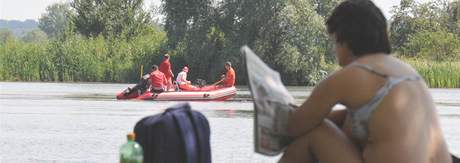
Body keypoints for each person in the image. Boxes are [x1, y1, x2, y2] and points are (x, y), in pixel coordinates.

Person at [278, 0, 452, 163]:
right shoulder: (406, 72)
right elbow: (348, 120)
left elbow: (293, 127)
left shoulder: (354, 74)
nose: (334, 49)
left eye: (334, 41)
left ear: (344, 39)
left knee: (316, 133)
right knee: (347, 127)